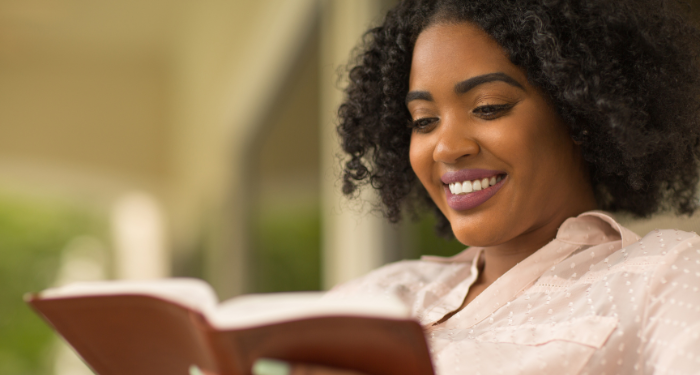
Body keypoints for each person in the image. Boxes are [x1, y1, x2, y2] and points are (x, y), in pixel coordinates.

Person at [254, 0, 700, 374]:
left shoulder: (663, 275)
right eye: (424, 121)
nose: (446, 147)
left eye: (488, 108)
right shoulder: (376, 294)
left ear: (580, 113)